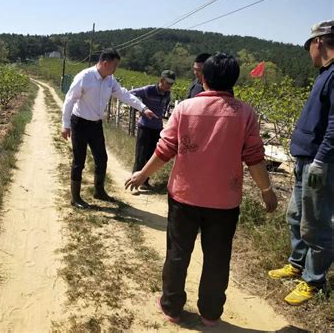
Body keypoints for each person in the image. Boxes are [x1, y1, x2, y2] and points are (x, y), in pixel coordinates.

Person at [125, 53, 277, 326]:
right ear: (233, 80)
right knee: (217, 257)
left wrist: (141, 175)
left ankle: (171, 306)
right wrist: (266, 190)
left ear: (203, 77)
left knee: (178, 252)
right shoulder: (245, 113)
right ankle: (210, 312)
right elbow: (254, 157)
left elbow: (165, 150)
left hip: (185, 197)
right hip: (225, 202)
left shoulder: (185, 108)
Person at [268, 20, 334, 305]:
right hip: (304, 160)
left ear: (318, 42)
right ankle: (296, 264)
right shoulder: (325, 74)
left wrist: (321, 160)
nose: (309, 52)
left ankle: (313, 280)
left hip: (319, 164)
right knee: (296, 216)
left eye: (309, 46)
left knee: (316, 223)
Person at [62, 48, 156, 209]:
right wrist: (66, 125)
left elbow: (124, 94)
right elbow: (69, 100)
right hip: (80, 123)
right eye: (114, 65)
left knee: (102, 159)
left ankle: (99, 191)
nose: (115, 69)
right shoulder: (84, 77)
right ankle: (75, 197)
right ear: (105, 63)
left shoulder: (110, 80)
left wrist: (142, 108)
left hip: (96, 125)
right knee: (79, 161)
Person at [130, 70, 174, 194]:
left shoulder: (167, 94)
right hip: (145, 127)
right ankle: (134, 184)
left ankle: (144, 181)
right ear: (161, 80)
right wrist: (142, 108)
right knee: (140, 155)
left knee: (150, 156)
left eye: (171, 84)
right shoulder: (148, 90)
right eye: (167, 83)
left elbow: (164, 109)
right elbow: (130, 94)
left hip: (157, 128)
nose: (169, 86)